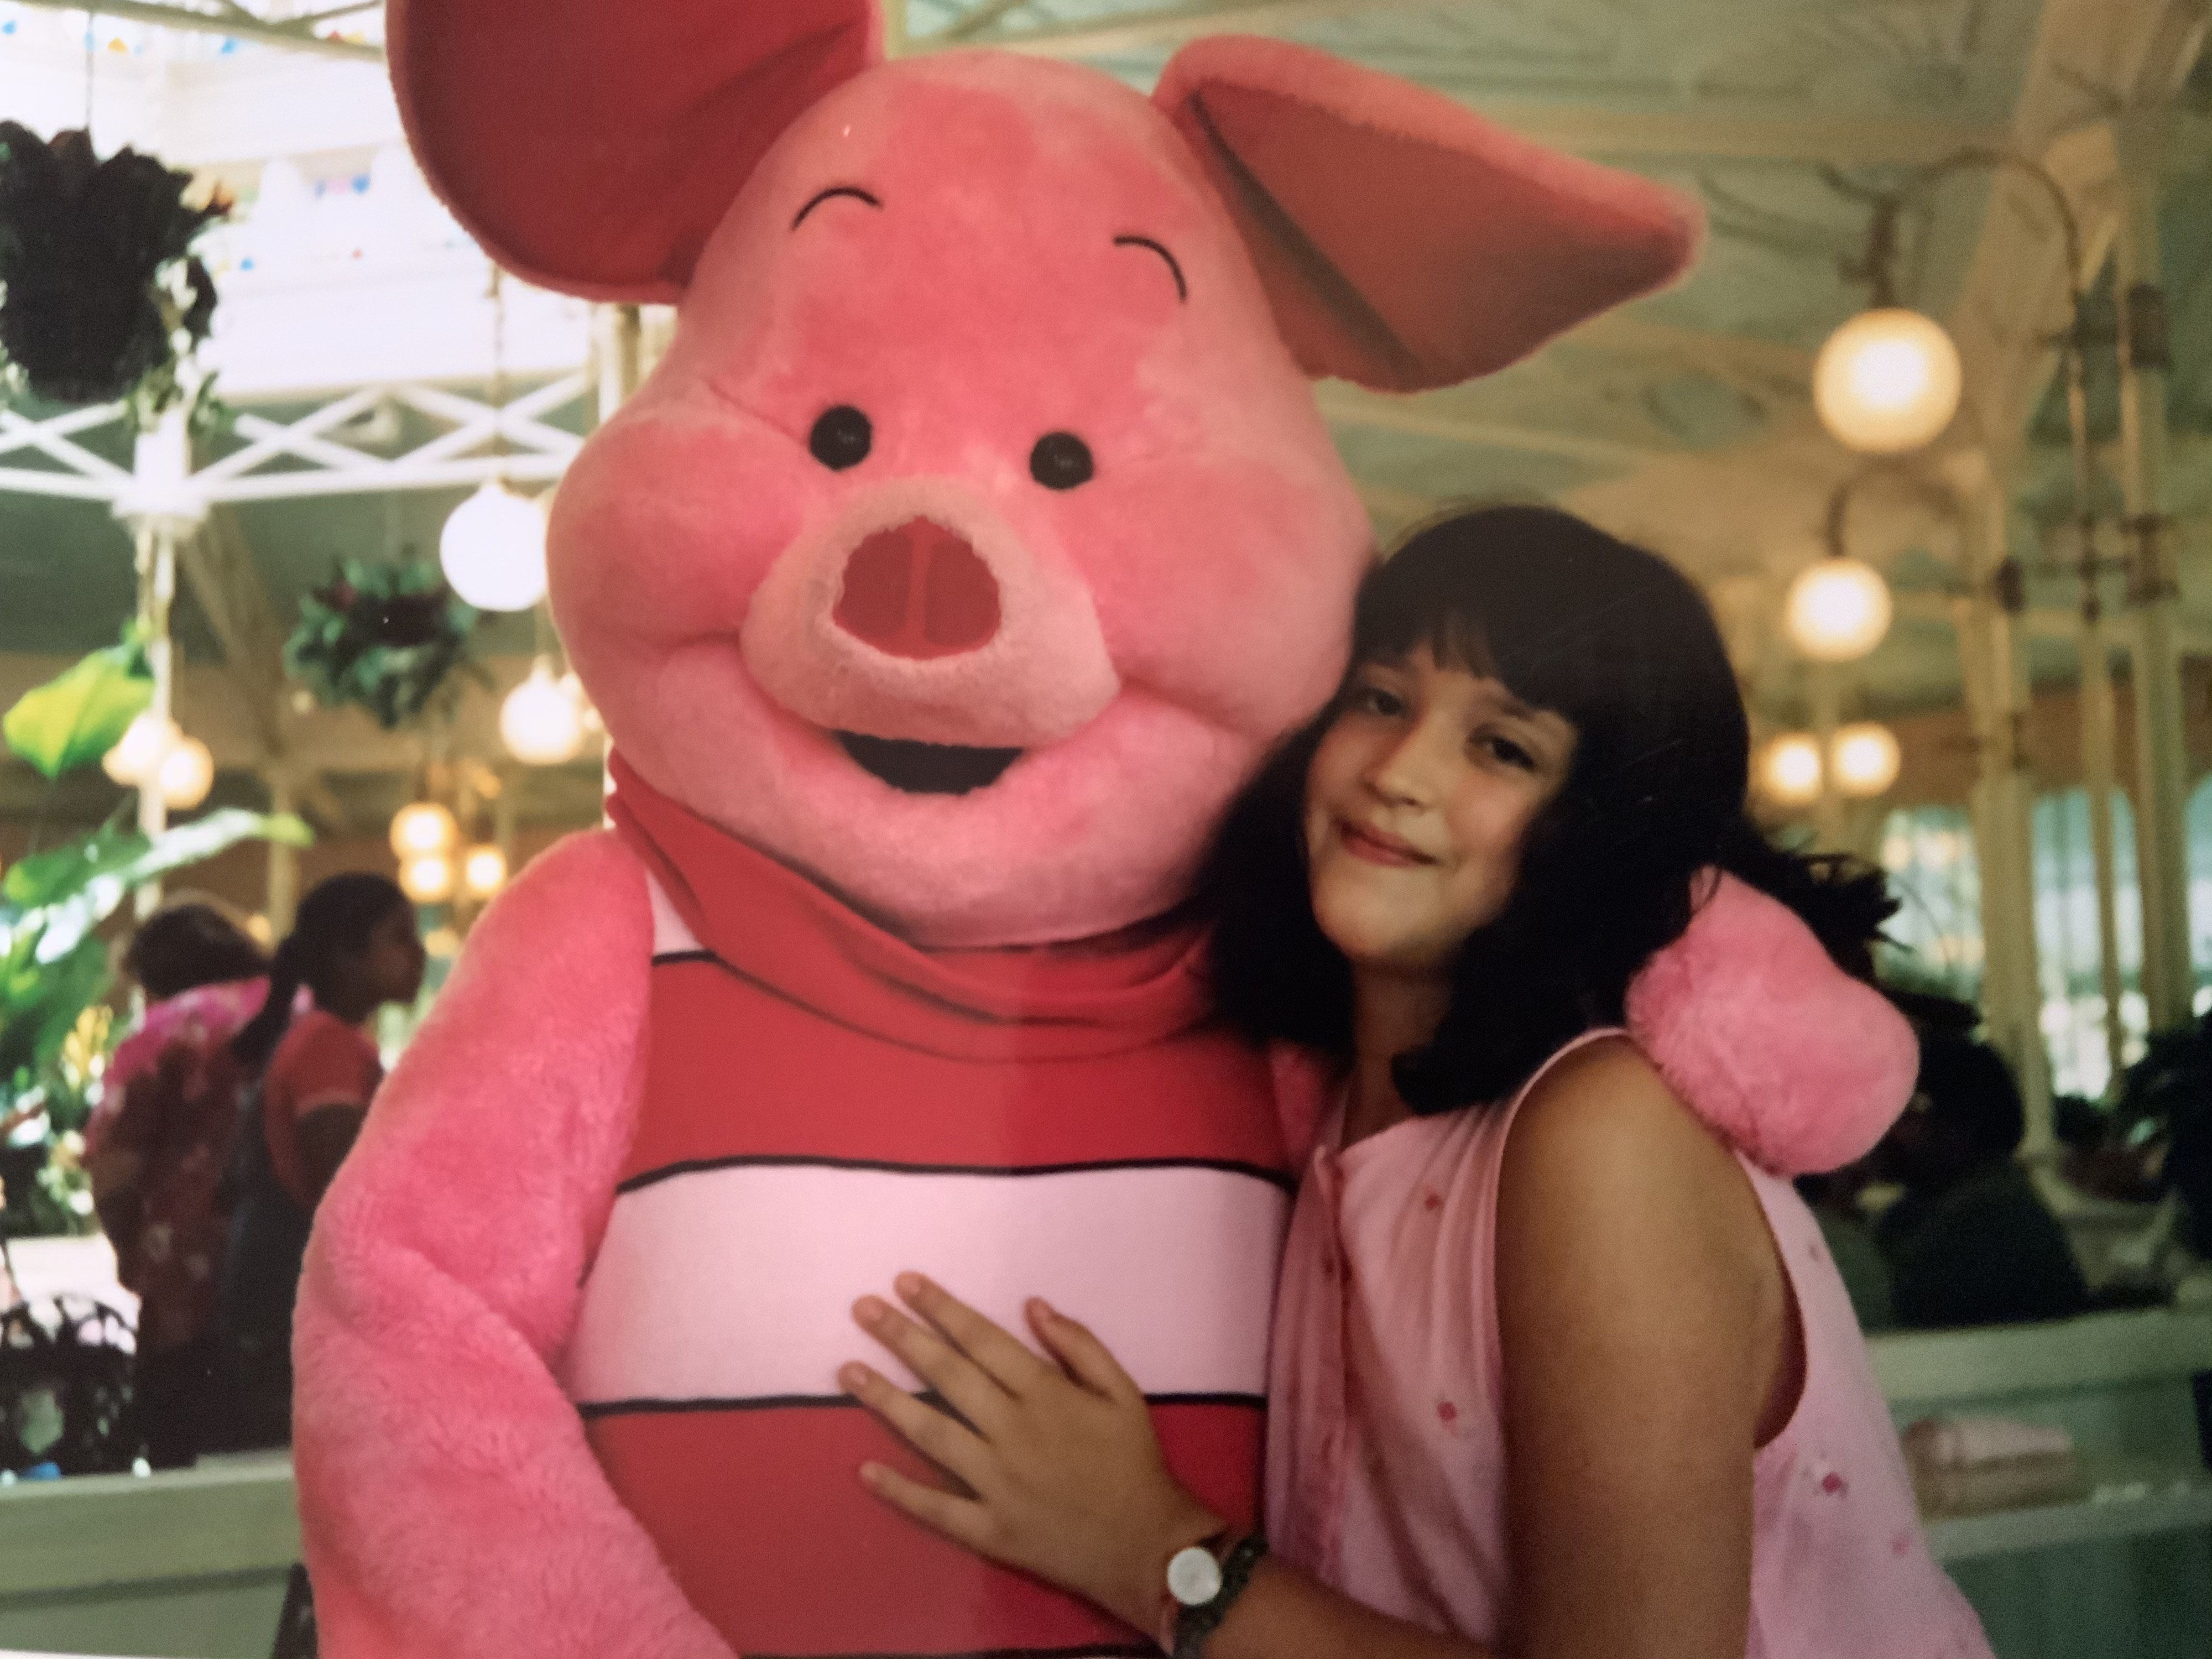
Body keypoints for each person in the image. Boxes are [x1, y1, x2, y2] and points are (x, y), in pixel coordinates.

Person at [836, 507, 1992, 1659]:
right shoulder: (1336, 1115)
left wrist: (1153, 1549)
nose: (1398, 773)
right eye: (1382, 699)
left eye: (1503, 748)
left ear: (1593, 828)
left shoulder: (1601, 1129)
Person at [216, 873, 424, 1449]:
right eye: (399, 937)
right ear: (346, 957)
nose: (419, 953)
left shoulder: (324, 1038)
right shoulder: (328, 1046)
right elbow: (346, 1190)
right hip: (297, 1303)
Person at [82, 900, 270, 1468]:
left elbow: (113, 1172)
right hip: (299, 1274)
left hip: (190, 1286)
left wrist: (134, 1251)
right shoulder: (306, 1015)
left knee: (186, 1464)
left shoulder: (166, 1032)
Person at [1876, 1035, 2090, 1330]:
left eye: (1908, 1108)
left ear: (1961, 1124)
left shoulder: (1987, 1219)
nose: (1884, 1128)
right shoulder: (1931, 1206)